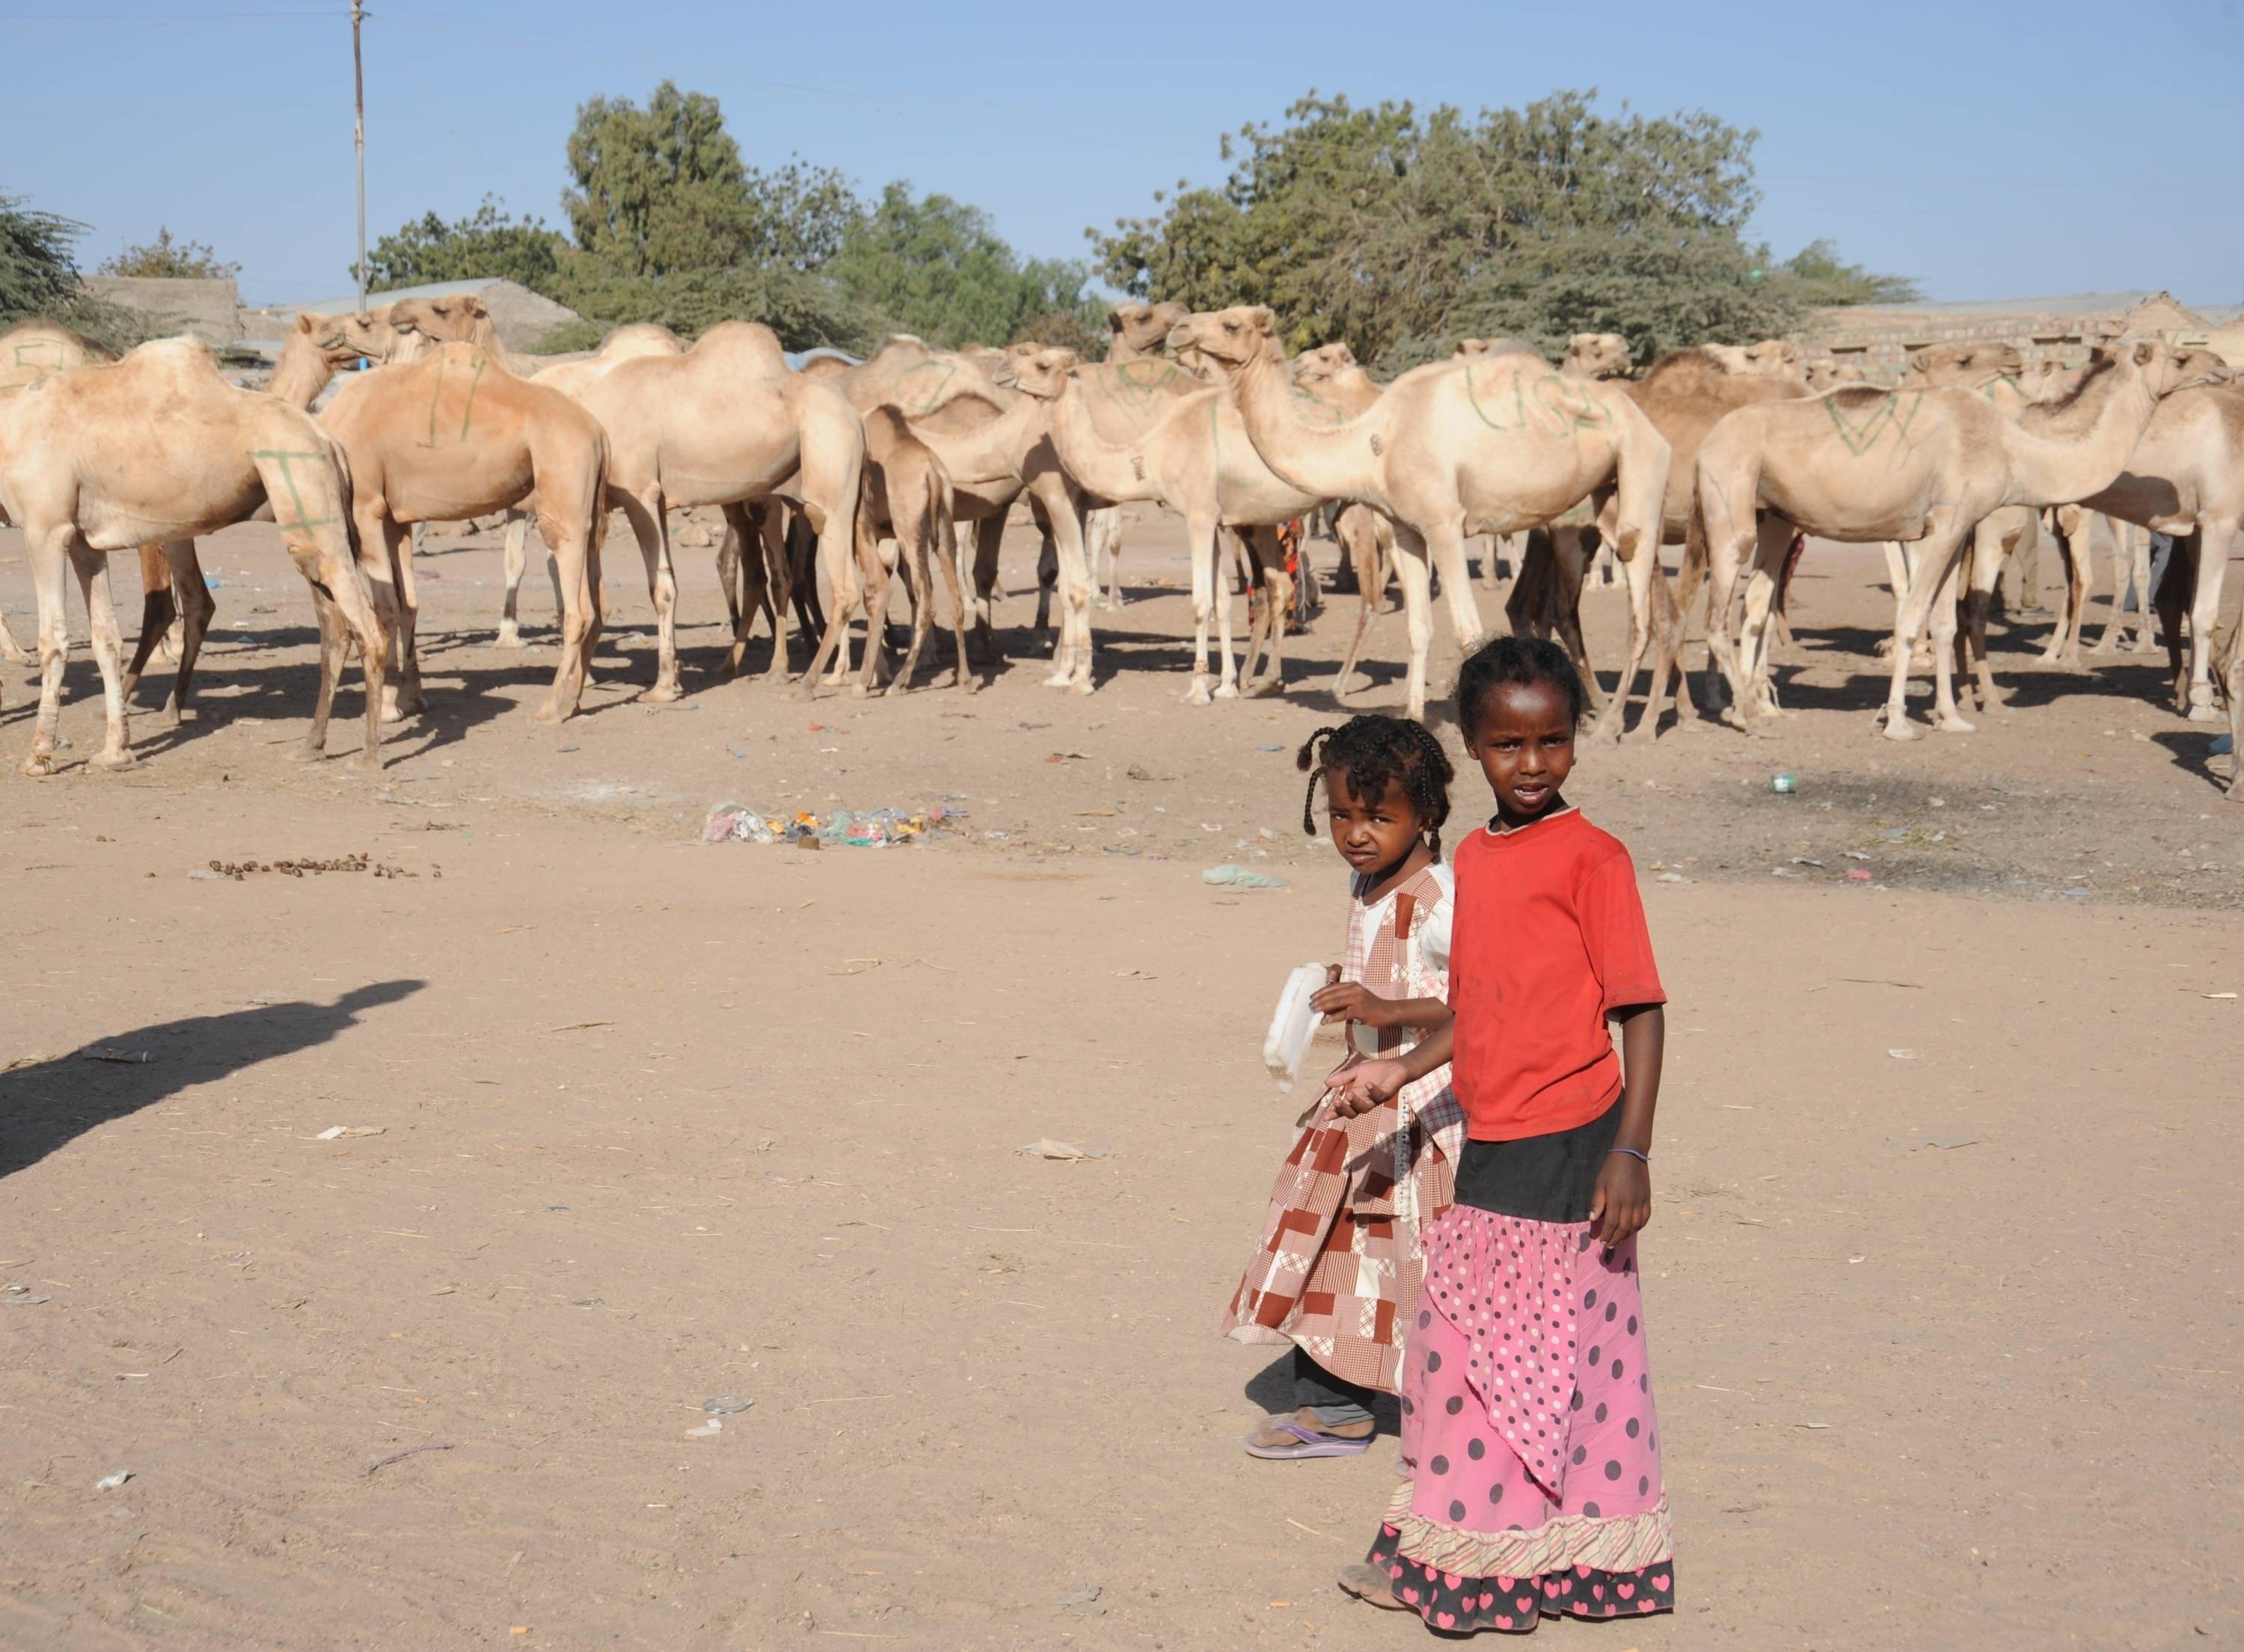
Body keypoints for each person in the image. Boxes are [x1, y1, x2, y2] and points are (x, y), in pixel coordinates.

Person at [1328, 636, 1676, 1633]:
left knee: (1512, 1353)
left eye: (1553, 741)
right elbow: (1479, 1004)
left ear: (1575, 743)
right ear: (1474, 748)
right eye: (1509, 745)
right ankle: (1473, 1550)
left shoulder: (1595, 859)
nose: (1533, 764)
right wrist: (1399, 1067)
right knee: (1487, 1350)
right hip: (1496, 1129)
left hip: (1574, 1137)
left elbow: (1641, 1010)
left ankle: (1488, 1569)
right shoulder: (1476, 860)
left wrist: (1633, 1150)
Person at [1223, 714, 1461, 1459]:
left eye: (1379, 817)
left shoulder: (1441, 899)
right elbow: (1383, 970)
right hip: (1361, 1106)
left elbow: (1480, 1001)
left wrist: (1386, 1008)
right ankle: (1337, 1401)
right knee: (1341, 1252)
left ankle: (1429, 1408)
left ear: (1426, 814)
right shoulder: (1367, 883)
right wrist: (1340, 985)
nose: (1357, 833)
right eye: (1341, 816)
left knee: (1410, 1259)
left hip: (1422, 1114)